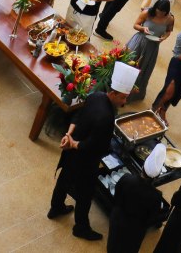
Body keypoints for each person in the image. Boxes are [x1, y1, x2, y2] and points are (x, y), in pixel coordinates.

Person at [48, 61, 137, 241]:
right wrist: (74, 144)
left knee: (64, 179)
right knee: (86, 195)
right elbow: (94, 145)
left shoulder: (96, 95)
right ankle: (81, 227)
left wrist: (69, 134)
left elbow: (78, 115)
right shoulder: (106, 117)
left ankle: (55, 209)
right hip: (85, 159)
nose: (125, 102)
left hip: (72, 150)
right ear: (113, 93)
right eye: (123, 97)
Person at [107, 144, 166, 253]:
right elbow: (151, 219)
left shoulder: (127, 179)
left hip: (118, 219)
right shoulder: (156, 196)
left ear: (143, 167)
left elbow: (116, 196)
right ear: (157, 177)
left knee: (113, 245)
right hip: (135, 230)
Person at [126, 0, 175, 103]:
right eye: (158, 11)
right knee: (129, 64)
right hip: (140, 41)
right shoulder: (147, 13)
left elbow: (168, 31)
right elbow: (135, 25)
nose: (160, 14)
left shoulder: (170, 19)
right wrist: (143, 29)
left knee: (144, 69)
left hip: (153, 46)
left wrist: (164, 37)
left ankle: (134, 95)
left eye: (162, 13)